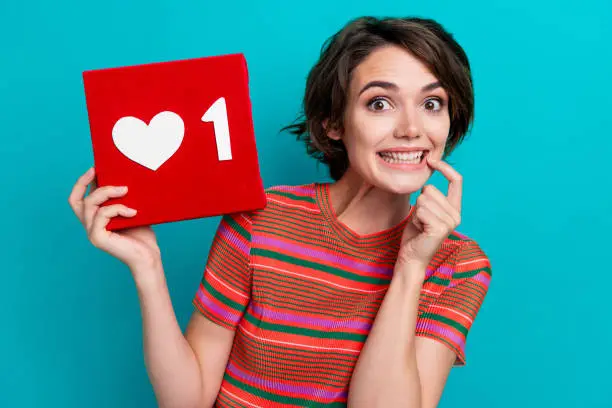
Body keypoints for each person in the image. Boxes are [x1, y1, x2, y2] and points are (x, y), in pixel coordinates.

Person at [68, 16, 492, 408]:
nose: (411, 128)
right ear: (333, 122)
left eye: (432, 104)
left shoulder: (459, 265)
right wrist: (148, 267)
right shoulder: (260, 219)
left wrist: (410, 267)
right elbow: (188, 400)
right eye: (379, 103)